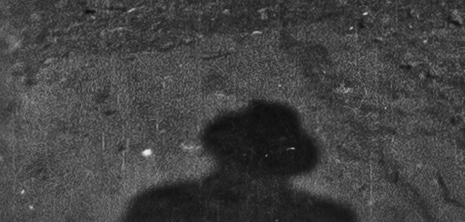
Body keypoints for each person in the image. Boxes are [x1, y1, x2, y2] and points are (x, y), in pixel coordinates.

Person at [121, 100, 357, 222]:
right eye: (241, 160)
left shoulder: (323, 218)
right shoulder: (162, 210)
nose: (250, 178)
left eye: (267, 167)